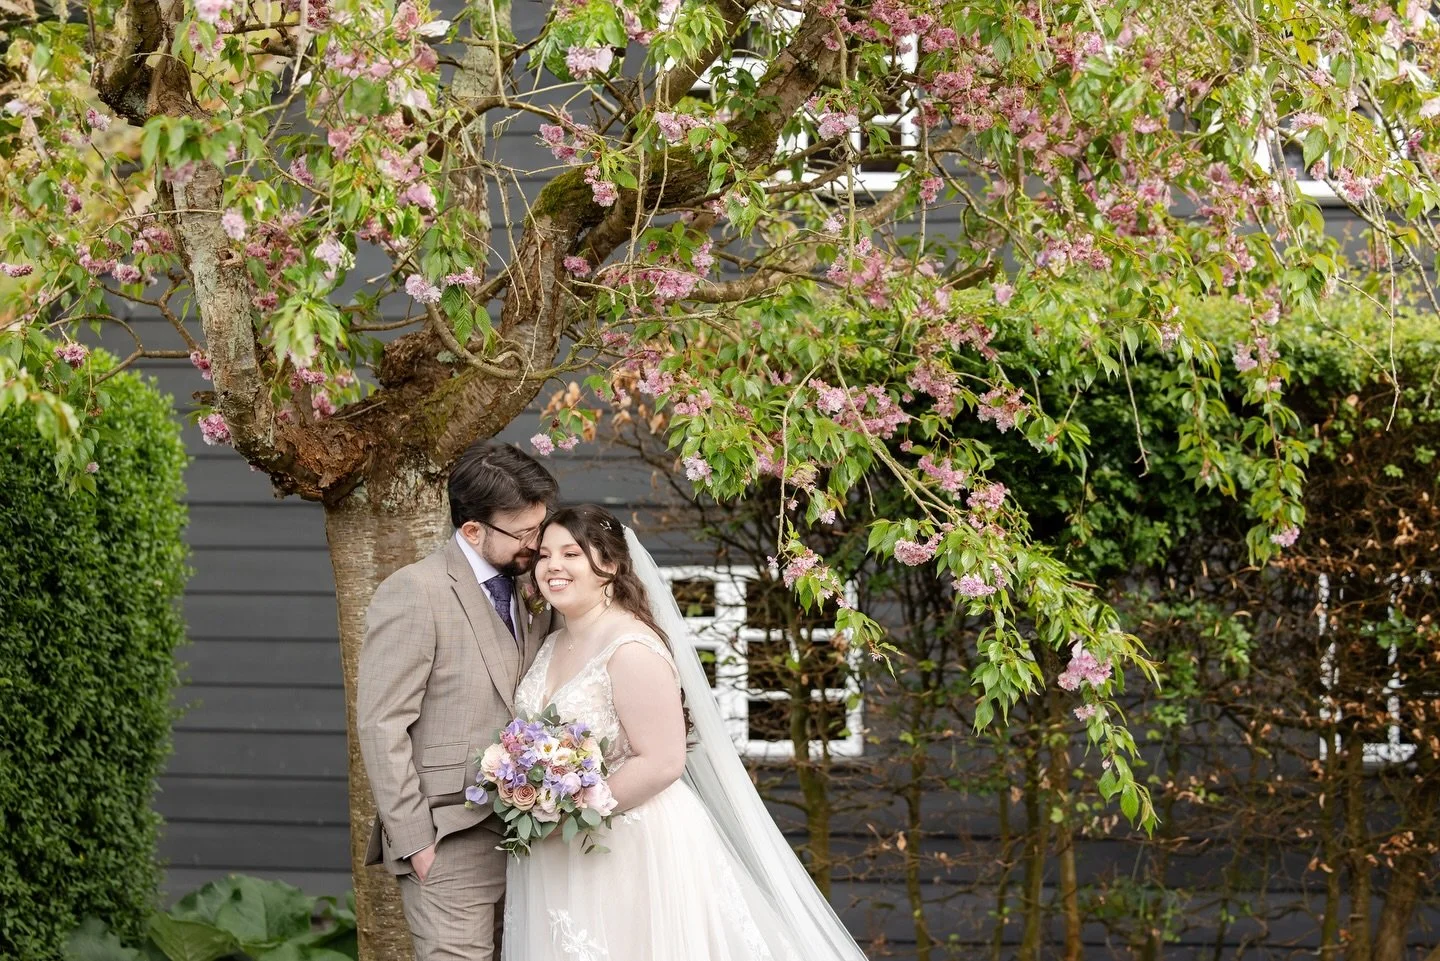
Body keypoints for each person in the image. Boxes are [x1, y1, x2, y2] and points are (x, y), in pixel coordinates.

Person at [503, 505, 869, 961]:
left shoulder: (631, 645)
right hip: (556, 843)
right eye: (544, 555)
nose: (552, 566)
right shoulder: (554, 641)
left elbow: (663, 762)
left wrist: (564, 813)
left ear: (610, 566)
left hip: (629, 842)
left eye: (572, 553)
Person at [358, 440, 558, 961]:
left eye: (541, 526)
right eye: (525, 533)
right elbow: (382, 727)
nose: (538, 545)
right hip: (447, 839)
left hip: (532, 841)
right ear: (472, 530)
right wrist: (417, 844)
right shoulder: (413, 592)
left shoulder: (532, 586)